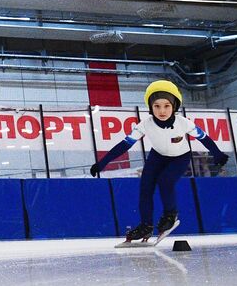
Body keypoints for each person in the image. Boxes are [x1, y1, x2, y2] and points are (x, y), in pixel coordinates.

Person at [89, 80, 228, 243]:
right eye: (157, 106)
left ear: (174, 105)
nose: (162, 111)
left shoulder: (183, 123)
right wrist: (102, 162)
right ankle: (146, 226)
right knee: (145, 187)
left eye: (167, 106)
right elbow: (124, 145)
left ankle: (170, 215)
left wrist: (217, 154)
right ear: (150, 107)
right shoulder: (145, 124)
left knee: (165, 181)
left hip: (180, 157)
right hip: (157, 156)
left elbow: (204, 138)